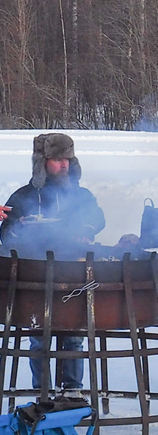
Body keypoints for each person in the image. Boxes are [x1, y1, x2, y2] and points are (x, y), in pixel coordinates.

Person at [1, 133, 105, 392]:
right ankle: (42, 393)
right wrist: (20, 229)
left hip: (73, 274)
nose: (64, 165)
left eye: (67, 159)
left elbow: (97, 218)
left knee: (74, 337)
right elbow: (5, 234)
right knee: (39, 339)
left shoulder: (81, 195)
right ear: (43, 162)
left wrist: (86, 229)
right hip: (36, 275)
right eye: (58, 159)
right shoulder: (24, 196)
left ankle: (72, 392)